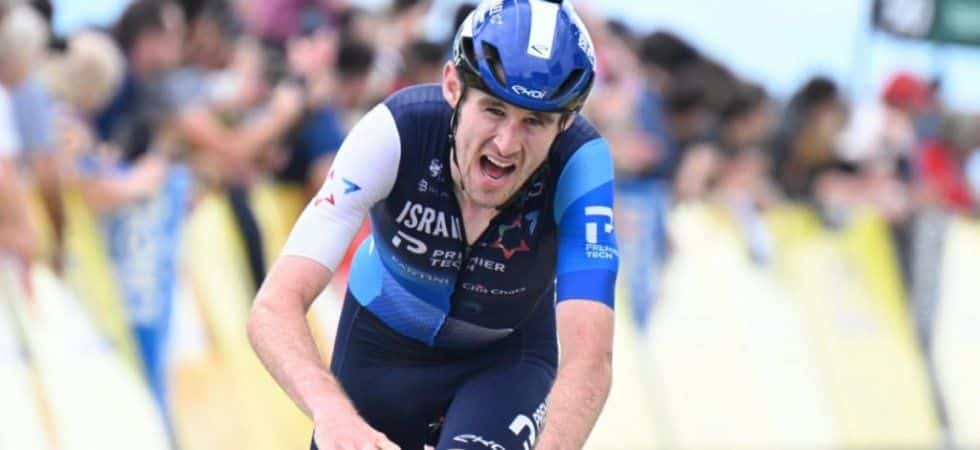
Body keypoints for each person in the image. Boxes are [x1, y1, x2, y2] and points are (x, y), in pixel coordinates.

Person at [248, 1, 618, 449]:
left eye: (534, 122)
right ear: (452, 86)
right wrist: (330, 411)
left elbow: (589, 355)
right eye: (494, 110)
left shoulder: (582, 164)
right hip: (380, 349)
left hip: (503, 362)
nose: (506, 144)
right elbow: (274, 305)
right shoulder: (396, 131)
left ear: (566, 123)